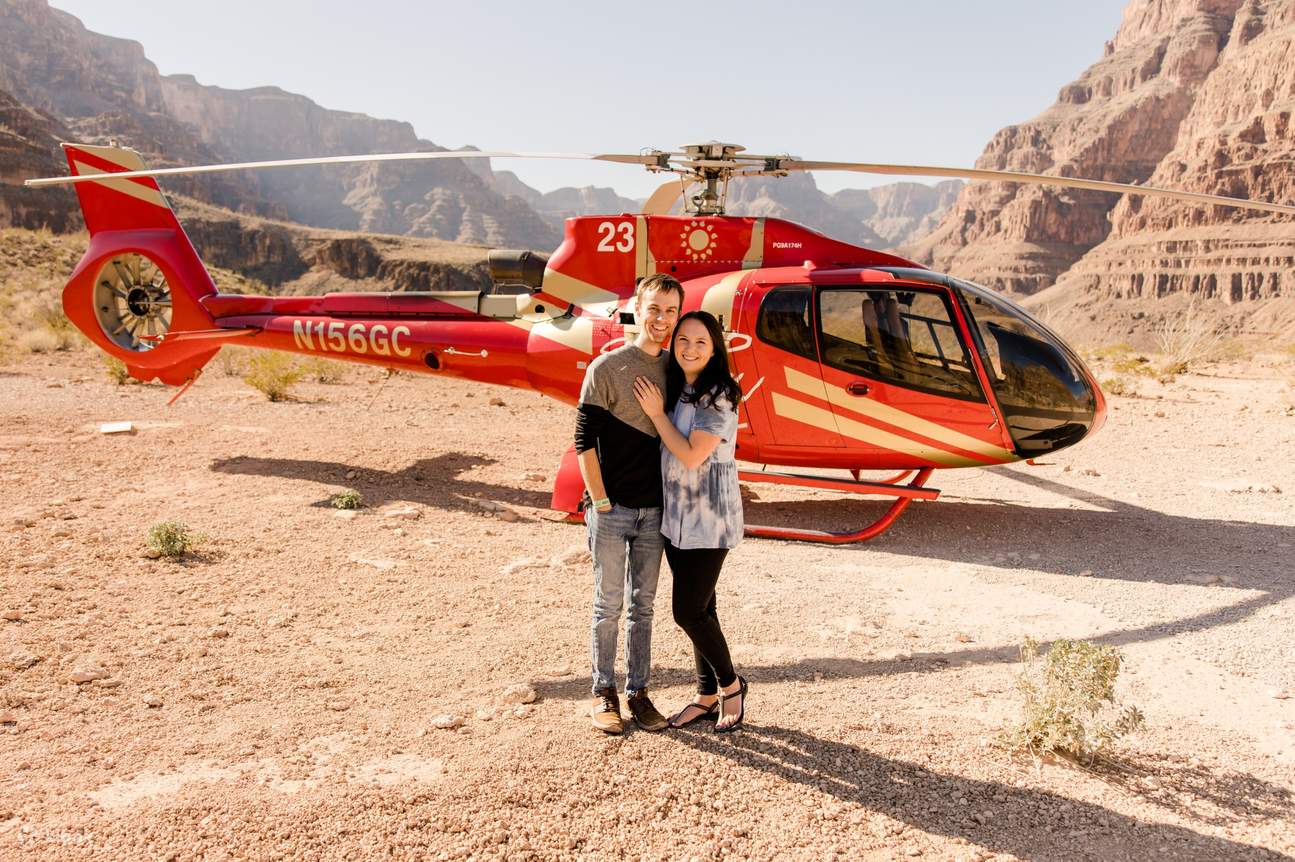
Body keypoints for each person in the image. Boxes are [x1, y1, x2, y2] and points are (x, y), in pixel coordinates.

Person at [575, 273, 683, 734]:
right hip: (613, 509)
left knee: (645, 607)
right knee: (608, 605)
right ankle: (603, 692)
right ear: (637, 309)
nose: (662, 319)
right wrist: (600, 501)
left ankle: (638, 693)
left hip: (656, 511)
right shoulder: (606, 369)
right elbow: (584, 441)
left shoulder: (678, 371)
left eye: (671, 310)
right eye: (654, 309)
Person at [632, 310, 747, 733]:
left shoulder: (718, 395)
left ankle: (732, 686)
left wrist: (656, 414)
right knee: (704, 607)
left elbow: (694, 455)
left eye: (700, 342)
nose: (690, 348)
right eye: (683, 339)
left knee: (688, 612)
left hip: (708, 518)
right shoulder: (682, 387)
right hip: (677, 515)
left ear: (715, 348)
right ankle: (706, 695)